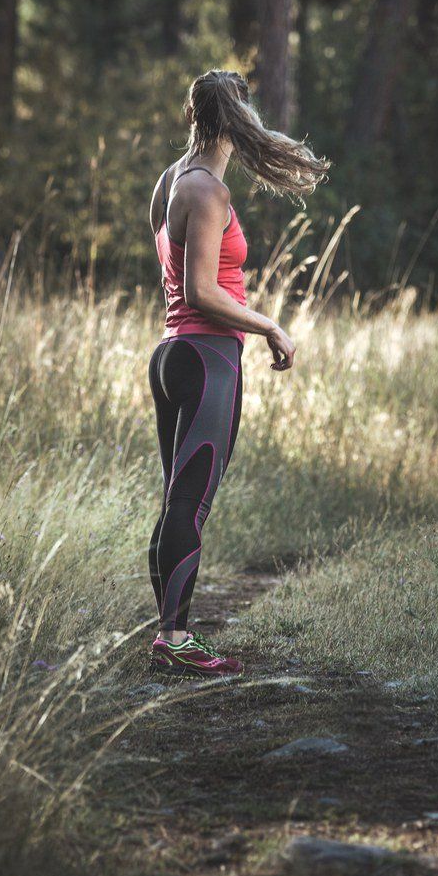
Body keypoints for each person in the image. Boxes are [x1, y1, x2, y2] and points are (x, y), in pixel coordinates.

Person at [147, 69, 330, 677]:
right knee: (190, 504)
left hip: (172, 353)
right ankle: (175, 639)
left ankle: (170, 633)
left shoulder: (170, 180)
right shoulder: (208, 192)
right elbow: (200, 291)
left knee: (177, 500)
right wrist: (269, 325)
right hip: (208, 359)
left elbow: (173, 278)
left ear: (193, 114)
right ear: (236, 119)